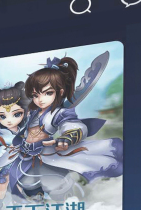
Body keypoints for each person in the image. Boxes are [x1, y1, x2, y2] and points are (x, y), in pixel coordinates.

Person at [14, 53, 124, 198]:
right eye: (35, 95)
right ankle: (38, 205)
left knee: (55, 184)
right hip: (27, 157)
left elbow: (73, 126)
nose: (40, 99)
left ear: (60, 92)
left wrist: (66, 138)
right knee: (27, 183)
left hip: (48, 156)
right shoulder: (33, 113)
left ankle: (69, 202)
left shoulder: (59, 113)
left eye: (47, 93)